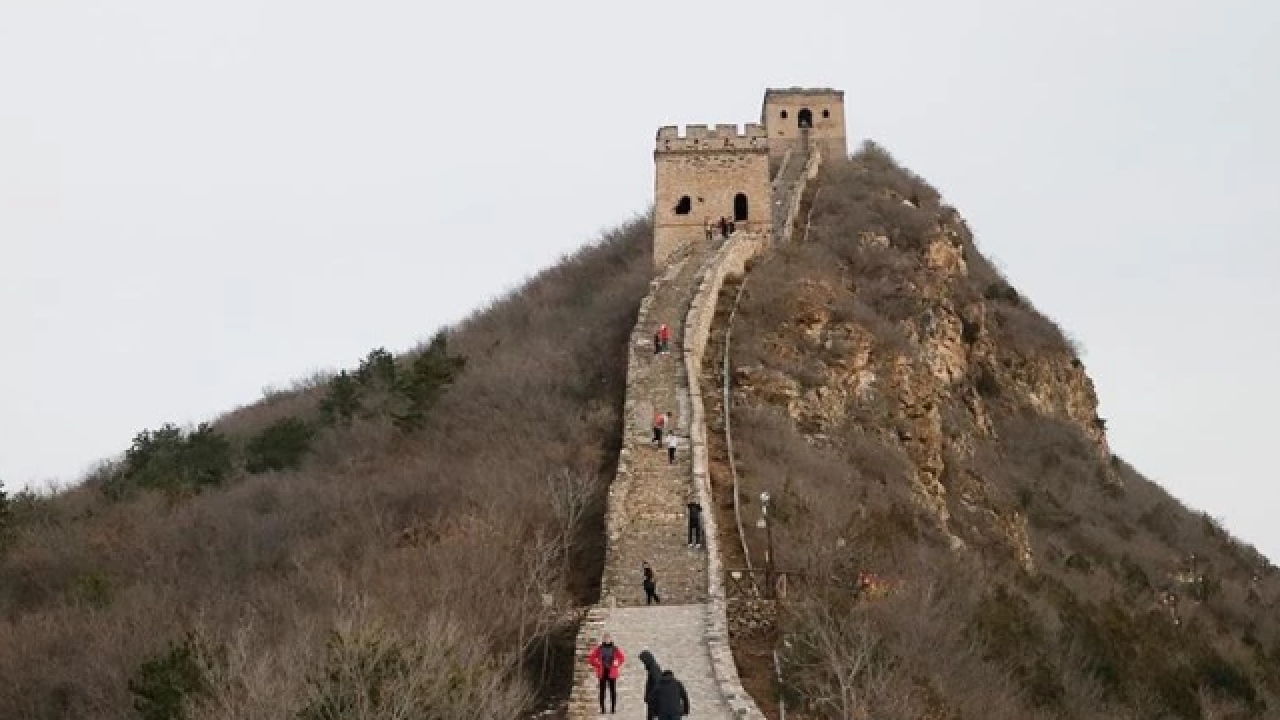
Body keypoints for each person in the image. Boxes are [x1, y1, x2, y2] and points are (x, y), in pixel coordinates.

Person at [588, 633, 626, 715]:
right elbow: (591, 659)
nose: (607, 640)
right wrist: (597, 663)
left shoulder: (615, 648)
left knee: (613, 691)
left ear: (611, 639)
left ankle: (613, 709)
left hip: (612, 672)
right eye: (605, 639)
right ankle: (602, 709)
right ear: (603, 639)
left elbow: (622, 658)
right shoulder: (599, 648)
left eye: (608, 639)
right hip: (602, 672)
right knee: (602, 691)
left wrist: (617, 663)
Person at [639, 650, 663, 720]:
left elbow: (657, 683)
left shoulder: (654, 669)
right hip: (652, 699)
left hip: (653, 700)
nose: (643, 663)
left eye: (643, 661)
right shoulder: (652, 668)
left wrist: (651, 696)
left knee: (651, 717)